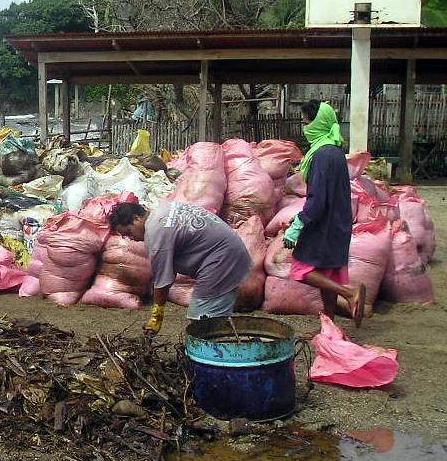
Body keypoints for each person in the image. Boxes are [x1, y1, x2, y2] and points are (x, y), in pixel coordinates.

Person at [283, 100, 366, 327]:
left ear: (318, 123)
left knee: (302, 270)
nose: (304, 128)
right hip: (338, 221)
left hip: (324, 223)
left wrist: (300, 223)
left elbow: (317, 199)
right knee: (327, 274)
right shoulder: (334, 150)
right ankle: (328, 329)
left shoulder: (321, 155)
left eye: (306, 122)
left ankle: (350, 294)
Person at [109, 201, 251, 333]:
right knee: (214, 316)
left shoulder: (156, 233)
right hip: (231, 254)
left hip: (223, 260)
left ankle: (217, 356)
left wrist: (156, 317)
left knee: (202, 318)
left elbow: (162, 281)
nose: (131, 238)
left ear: (136, 218)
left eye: (128, 233)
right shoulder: (163, 211)